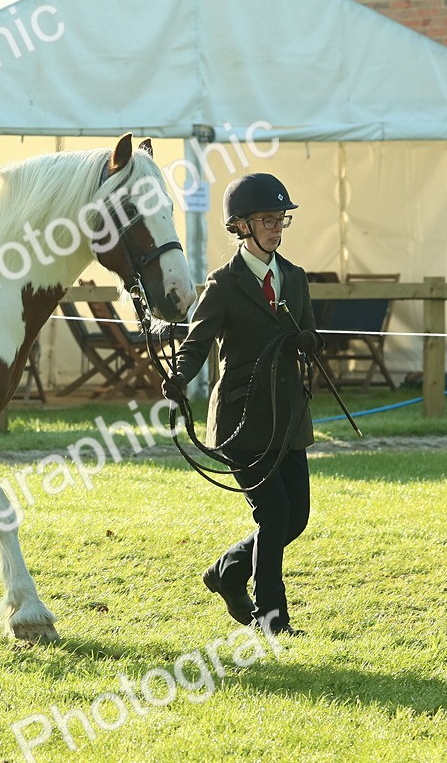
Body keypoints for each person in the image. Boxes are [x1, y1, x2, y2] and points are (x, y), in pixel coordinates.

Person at [164, 172, 323, 637]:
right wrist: (179, 376)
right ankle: (271, 620)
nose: (276, 228)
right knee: (273, 515)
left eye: (280, 220)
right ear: (241, 226)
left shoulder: (294, 278)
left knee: (296, 518)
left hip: (289, 417)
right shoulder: (223, 284)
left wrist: (311, 340)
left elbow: (310, 334)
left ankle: (229, 571)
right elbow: (197, 342)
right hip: (244, 422)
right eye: (267, 220)